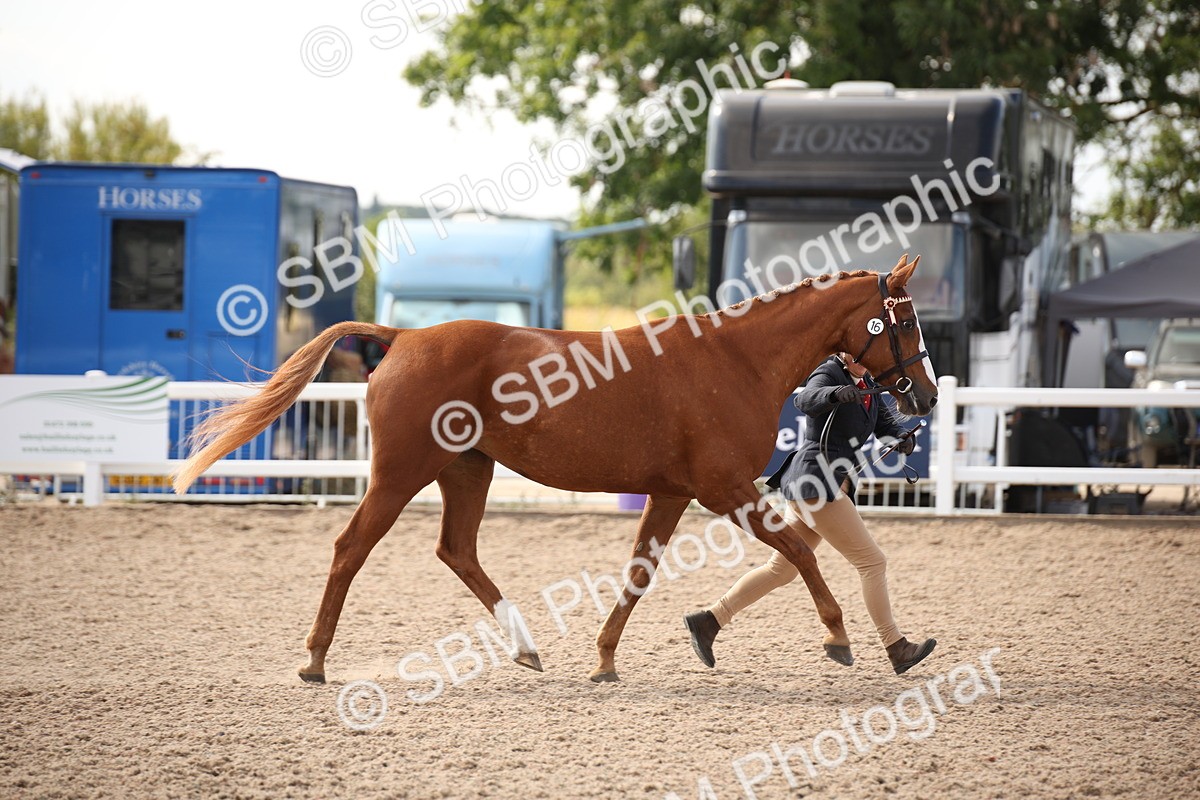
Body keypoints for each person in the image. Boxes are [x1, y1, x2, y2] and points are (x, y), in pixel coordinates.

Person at [685, 353, 936, 675]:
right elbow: (805, 399)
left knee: (782, 570)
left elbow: (886, 428)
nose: (861, 361)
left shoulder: (870, 383)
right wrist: (835, 394)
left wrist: (902, 440)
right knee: (872, 562)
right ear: (844, 354)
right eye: (855, 356)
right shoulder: (830, 372)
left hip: (825, 484)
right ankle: (896, 646)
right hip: (815, 482)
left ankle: (709, 620)